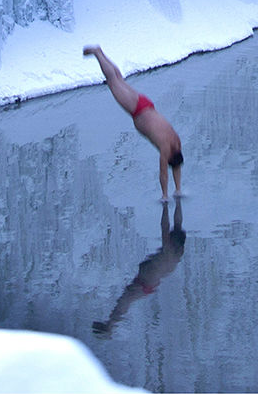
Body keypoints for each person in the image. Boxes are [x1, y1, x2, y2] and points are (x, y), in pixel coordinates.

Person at [83, 45, 183, 200]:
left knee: (118, 79)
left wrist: (178, 190)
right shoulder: (166, 148)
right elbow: (163, 173)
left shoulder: (177, 143)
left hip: (146, 104)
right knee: (112, 81)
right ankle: (97, 53)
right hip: (137, 109)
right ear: (170, 156)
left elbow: (176, 167)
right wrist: (165, 195)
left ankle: (101, 53)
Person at [92, 200, 186, 337]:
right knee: (125, 301)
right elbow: (173, 227)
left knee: (125, 302)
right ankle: (110, 325)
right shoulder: (174, 256)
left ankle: (110, 326)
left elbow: (166, 226)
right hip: (148, 283)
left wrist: (165, 208)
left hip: (147, 282)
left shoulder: (172, 252)